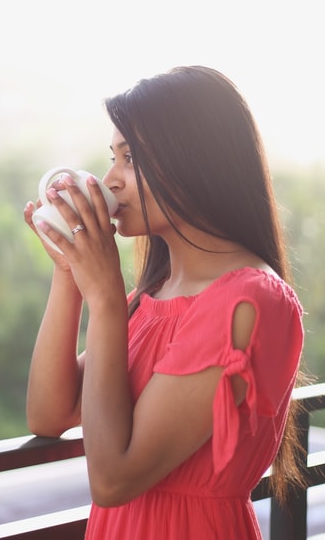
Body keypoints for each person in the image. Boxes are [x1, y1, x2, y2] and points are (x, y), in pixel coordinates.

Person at [24, 66, 304, 539]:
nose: (109, 181)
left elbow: (113, 479)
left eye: (130, 158)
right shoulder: (152, 298)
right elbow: (50, 414)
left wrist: (106, 298)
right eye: (113, 157)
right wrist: (69, 271)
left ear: (194, 159)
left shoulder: (248, 301)